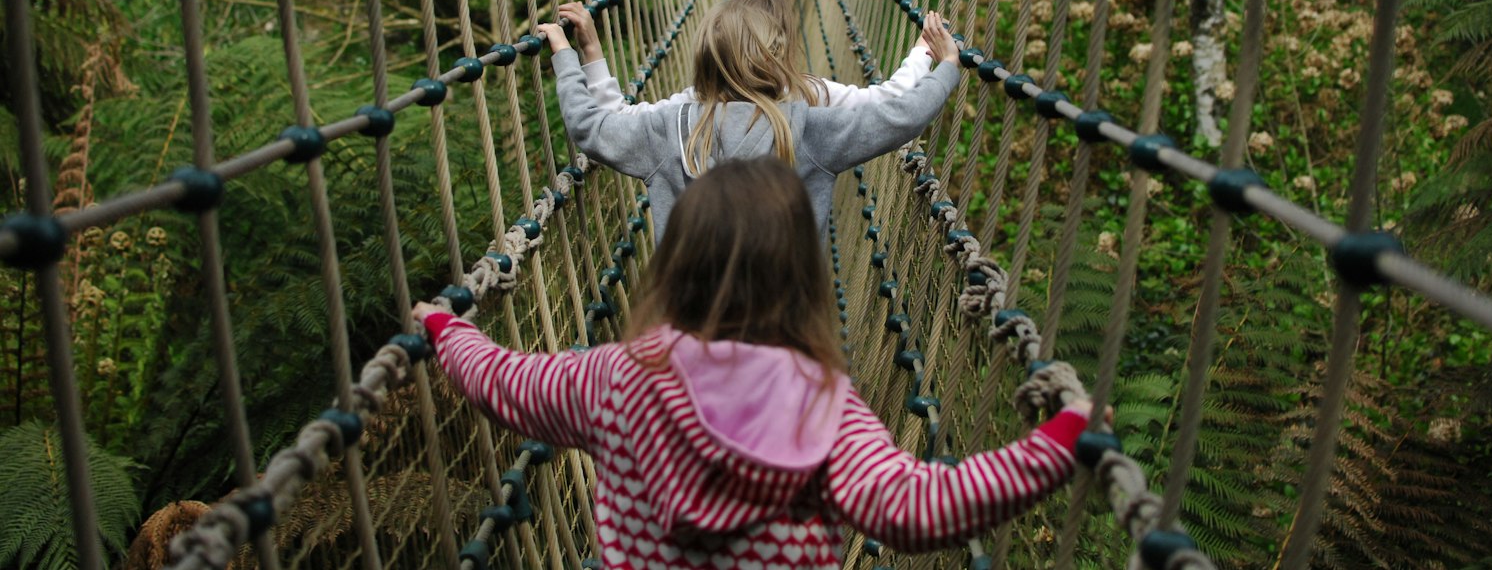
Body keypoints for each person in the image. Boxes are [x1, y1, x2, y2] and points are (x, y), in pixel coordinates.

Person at [414, 157, 1102, 569]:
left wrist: (447, 329)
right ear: (803, 278)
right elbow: (913, 506)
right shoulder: (823, 407)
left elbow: (504, 382)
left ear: (674, 266)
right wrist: (1059, 441)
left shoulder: (616, 376)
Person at [537, 0, 961, 232]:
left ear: (705, 59)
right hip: (785, 330)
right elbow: (898, 111)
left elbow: (598, 126)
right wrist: (936, 62)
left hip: (690, 328)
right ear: (781, 58)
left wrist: (577, 56)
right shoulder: (812, 113)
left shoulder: (672, 124)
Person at [558, 0, 936, 115]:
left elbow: (612, 122)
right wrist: (925, 53)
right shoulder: (809, 96)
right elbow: (889, 103)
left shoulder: (689, 109)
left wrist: (589, 50)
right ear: (782, 46)